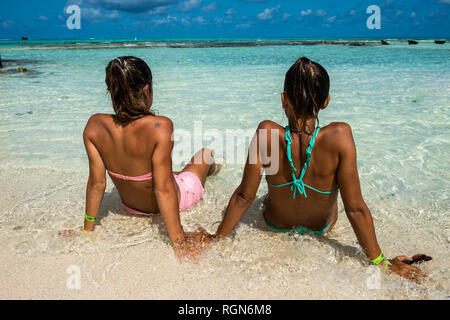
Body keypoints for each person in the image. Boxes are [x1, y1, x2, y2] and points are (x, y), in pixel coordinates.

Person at [213, 57, 430, 281]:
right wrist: (380, 261)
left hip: (275, 224)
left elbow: (243, 196)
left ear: (283, 99)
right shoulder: (339, 136)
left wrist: (216, 238)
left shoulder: (266, 132)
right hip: (321, 227)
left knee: (265, 196)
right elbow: (355, 209)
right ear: (326, 101)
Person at [72, 56, 219, 258]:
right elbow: (163, 189)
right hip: (178, 199)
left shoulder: (94, 126)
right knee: (205, 155)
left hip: (131, 206)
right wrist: (179, 242)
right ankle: (214, 168)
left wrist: (87, 229)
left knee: (167, 172)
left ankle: (182, 172)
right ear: (145, 90)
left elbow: (97, 184)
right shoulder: (160, 126)